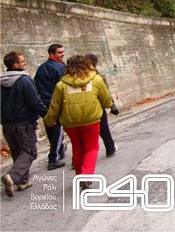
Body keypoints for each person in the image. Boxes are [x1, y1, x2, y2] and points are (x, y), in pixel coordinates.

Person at [43, 55, 113, 190]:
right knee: (92, 148)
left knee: (78, 148)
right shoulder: (96, 80)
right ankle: (86, 175)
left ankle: (80, 175)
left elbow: (54, 106)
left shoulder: (61, 85)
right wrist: (110, 105)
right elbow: (106, 100)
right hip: (91, 119)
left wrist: (49, 121)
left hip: (70, 122)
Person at [1, 51, 48, 197]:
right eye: (22, 61)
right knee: (29, 151)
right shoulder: (24, 80)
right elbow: (34, 101)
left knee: (17, 151)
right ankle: (12, 176)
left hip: (7, 125)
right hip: (24, 123)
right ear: (15, 65)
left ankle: (22, 181)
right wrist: (46, 114)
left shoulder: (1, 81)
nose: (24, 63)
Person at [34, 44, 67, 170]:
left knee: (51, 129)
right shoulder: (60, 67)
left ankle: (59, 151)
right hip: (55, 102)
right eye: (60, 52)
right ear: (52, 54)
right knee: (58, 130)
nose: (62, 54)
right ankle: (53, 158)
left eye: (63, 52)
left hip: (44, 102)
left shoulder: (41, 68)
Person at [85, 54, 119, 158]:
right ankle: (110, 148)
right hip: (97, 106)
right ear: (95, 63)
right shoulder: (97, 76)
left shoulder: (75, 76)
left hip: (80, 108)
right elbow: (105, 93)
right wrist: (112, 106)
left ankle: (82, 156)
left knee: (84, 134)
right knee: (104, 129)